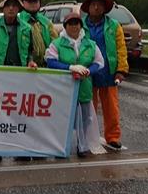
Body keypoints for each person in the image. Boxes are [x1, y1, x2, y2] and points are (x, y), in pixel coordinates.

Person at [0, 0, 37, 162]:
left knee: (19, 113)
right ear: (3, 8)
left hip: (20, 77)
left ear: (19, 8)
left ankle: (20, 149)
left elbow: (30, 50)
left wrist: (30, 61)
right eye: (8, 6)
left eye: (14, 5)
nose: (11, 9)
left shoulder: (26, 28)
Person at [45, 12, 105, 157]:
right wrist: (70, 68)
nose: (74, 26)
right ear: (65, 26)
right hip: (63, 89)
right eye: (70, 24)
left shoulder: (90, 44)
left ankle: (82, 145)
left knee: (85, 119)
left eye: (76, 23)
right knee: (62, 118)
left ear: (81, 25)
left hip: (84, 87)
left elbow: (99, 62)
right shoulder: (56, 44)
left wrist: (88, 71)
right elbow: (50, 61)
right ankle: (59, 146)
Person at [81, 0, 129, 150]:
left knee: (111, 108)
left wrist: (121, 69)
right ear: (88, 7)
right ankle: (87, 136)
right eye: (93, 4)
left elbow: (121, 48)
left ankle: (113, 136)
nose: (96, 7)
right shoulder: (80, 24)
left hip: (108, 71)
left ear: (104, 8)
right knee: (88, 107)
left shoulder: (114, 25)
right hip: (88, 71)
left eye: (100, 5)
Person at [18, 0, 58, 67]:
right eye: (30, 1)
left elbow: (55, 42)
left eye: (35, 1)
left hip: (45, 65)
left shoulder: (46, 22)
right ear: (22, 3)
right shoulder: (19, 21)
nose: (33, 4)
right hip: (25, 66)